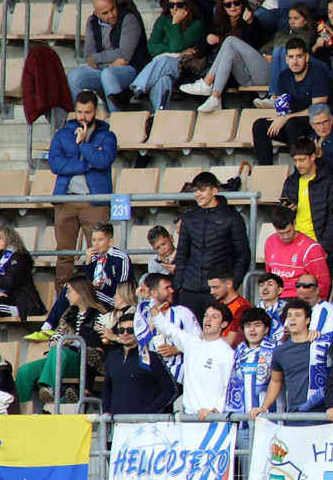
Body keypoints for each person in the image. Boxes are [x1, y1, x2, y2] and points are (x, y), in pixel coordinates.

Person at [46, 92, 116, 280]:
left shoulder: (107, 136)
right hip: (66, 200)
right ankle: (62, 302)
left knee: (99, 252)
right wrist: (87, 164)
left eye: (87, 112)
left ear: (96, 111)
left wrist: (83, 143)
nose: (83, 117)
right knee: (64, 254)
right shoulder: (62, 134)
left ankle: (98, 299)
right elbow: (55, 165)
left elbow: (103, 161)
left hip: (94, 202)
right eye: (79, 112)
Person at [172, 172, 250, 320]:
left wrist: (230, 285)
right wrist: (179, 287)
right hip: (189, 291)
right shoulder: (189, 218)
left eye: (202, 189)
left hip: (218, 291)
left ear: (214, 191)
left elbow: (243, 255)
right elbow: (181, 254)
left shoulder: (232, 217)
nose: (197, 194)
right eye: (195, 190)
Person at [149, 296, 235, 416]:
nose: (208, 319)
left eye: (214, 317)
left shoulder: (227, 354)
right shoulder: (191, 342)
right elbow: (165, 326)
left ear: (224, 324)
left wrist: (215, 411)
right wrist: (150, 302)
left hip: (214, 420)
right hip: (189, 418)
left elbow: (230, 388)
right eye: (206, 315)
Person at [69, 0, 148, 111]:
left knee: (108, 74)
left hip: (132, 67)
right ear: (96, 13)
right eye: (105, 13)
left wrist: (97, 60)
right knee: (73, 76)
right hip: (106, 67)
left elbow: (124, 54)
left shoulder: (128, 18)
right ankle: (81, 116)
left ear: (115, 4)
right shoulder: (92, 21)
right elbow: (89, 56)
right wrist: (107, 64)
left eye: (113, 9)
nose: (111, 15)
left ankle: (116, 119)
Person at [128, 0, 205, 111]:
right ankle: (160, 114)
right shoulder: (162, 20)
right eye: (171, 5)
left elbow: (176, 46)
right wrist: (179, 51)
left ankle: (137, 87)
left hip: (183, 66)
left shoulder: (196, 25)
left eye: (179, 5)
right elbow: (151, 47)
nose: (175, 8)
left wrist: (175, 24)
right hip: (162, 68)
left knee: (164, 60)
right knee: (163, 79)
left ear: (186, 6)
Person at [101, 313, 176, 415]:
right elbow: (107, 387)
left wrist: (149, 414)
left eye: (130, 330)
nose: (125, 334)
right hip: (116, 423)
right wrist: (106, 411)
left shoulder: (150, 357)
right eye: (121, 330)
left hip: (142, 425)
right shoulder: (112, 357)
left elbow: (170, 388)